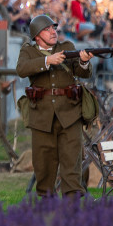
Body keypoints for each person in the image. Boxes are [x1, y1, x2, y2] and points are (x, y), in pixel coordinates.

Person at [16, 14, 95, 198]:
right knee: (43, 162)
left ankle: (73, 200)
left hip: (69, 113)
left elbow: (82, 72)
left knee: (71, 161)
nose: (53, 32)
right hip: (41, 116)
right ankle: (45, 200)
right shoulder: (28, 51)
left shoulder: (67, 47)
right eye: (48, 29)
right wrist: (47, 61)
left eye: (54, 28)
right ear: (37, 35)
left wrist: (84, 61)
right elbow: (21, 69)